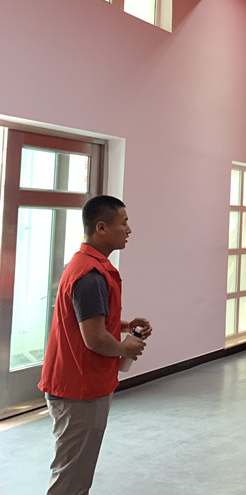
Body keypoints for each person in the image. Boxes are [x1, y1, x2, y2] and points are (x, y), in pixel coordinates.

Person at [38, 195, 152, 495]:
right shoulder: (90, 275)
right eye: (124, 223)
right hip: (78, 389)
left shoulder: (88, 266)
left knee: (76, 472)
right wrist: (126, 348)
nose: (129, 230)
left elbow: (88, 321)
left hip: (81, 384)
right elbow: (95, 338)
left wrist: (123, 325)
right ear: (101, 227)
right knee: (71, 479)